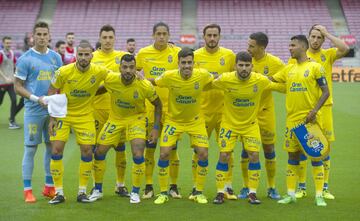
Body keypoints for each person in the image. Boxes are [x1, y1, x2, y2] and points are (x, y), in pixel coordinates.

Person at [212, 51, 284, 205]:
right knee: (224, 155)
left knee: (254, 155)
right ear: (235, 66)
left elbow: (280, 86)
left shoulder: (260, 80)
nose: (244, 68)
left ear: (252, 66)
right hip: (229, 125)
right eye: (241, 65)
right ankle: (220, 192)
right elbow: (208, 84)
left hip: (250, 125)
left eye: (247, 65)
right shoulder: (226, 79)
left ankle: (252, 192)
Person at [89, 54, 162, 204]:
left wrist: (155, 128)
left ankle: (135, 192)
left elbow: (158, 105)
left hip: (136, 119)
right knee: (99, 152)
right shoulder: (111, 80)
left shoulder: (145, 85)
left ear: (136, 69)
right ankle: (97, 189)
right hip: (115, 119)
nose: (128, 70)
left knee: (137, 153)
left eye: (131, 67)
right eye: (125, 67)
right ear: (119, 68)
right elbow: (99, 91)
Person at [47, 40, 109, 204]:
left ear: (91, 55)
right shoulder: (63, 72)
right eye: (80, 54)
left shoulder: (99, 71)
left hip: (85, 116)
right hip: (63, 115)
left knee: (88, 151)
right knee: (56, 150)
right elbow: (52, 90)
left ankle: (82, 192)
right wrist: (52, 118)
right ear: (76, 55)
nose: (83, 57)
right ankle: (59, 193)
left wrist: (137, 75)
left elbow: (115, 80)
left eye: (86, 54)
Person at [149, 47, 213, 204]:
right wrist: (138, 78)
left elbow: (216, 79)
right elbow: (154, 81)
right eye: (183, 63)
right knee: (164, 153)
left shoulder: (202, 75)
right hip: (174, 121)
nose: (186, 66)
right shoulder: (169, 76)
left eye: (189, 63)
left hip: (195, 121)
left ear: (194, 63)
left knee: (203, 153)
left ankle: (198, 191)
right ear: (178, 63)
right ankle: (163, 192)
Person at [271, 35, 330, 206]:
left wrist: (315, 110)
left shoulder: (315, 67)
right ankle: (290, 194)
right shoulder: (288, 69)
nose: (290, 48)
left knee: (316, 155)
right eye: (289, 45)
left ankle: (319, 195)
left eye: (293, 45)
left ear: (303, 47)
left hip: (310, 121)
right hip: (291, 122)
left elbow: (325, 92)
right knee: (292, 156)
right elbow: (270, 80)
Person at [294, 25, 349, 200]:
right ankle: (301, 187)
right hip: (305, 109)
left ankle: (325, 187)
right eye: (313, 36)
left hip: (324, 109)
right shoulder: (300, 56)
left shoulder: (328, 55)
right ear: (308, 38)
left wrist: (326, 32)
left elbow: (345, 48)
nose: (316, 40)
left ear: (323, 40)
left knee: (324, 149)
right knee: (303, 147)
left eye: (319, 37)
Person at [14, 22, 62, 203]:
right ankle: (28, 190)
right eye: (39, 34)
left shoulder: (56, 58)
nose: (42, 37)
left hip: (51, 111)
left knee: (51, 146)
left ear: (49, 36)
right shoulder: (26, 59)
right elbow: (17, 87)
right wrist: (36, 99)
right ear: (33, 36)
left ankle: (49, 187)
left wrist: (57, 105)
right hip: (33, 111)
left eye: (45, 34)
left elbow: (59, 83)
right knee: (31, 148)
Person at [136, 22, 181, 199]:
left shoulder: (176, 53)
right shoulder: (143, 53)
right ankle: (148, 186)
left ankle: (174, 186)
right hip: (150, 109)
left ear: (169, 35)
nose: (161, 37)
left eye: (164, 34)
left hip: (172, 109)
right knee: (150, 148)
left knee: (172, 149)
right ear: (153, 35)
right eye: (158, 34)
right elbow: (136, 75)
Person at [193, 23, 236, 200]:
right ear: (203, 37)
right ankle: (196, 187)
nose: (212, 38)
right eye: (209, 35)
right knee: (199, 151)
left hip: (224, 112)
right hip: (201, 112)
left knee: (227, 150)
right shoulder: (195, 56)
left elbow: (235, 80)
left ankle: (228, 186)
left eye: (215, 35)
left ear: (219, 36)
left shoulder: (229, 55)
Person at [240, 32, 285, 199]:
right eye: (248, 45)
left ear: (262, 47)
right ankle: (246, 187)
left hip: (266, 112)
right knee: (246, 149)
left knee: (269, 149)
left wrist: (267, 83)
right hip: (247, 113)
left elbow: (286, 86)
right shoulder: (244, 61)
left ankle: (271, 187)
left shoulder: (275, 63)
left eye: (252, 46)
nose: (248, 49)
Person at [91, 24, 130, 197]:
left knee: (120, 147)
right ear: (100, 39)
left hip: (119, 111)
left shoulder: (122, 57)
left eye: (110, 37)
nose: (107, 40)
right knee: (98, 149)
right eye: (104, 37)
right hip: (97, 109)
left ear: (115, 39)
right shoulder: (92, 57)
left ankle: (120, 185)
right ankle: (96, 186)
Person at [0, 36, 21, 129]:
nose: (8, 44)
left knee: (14, 100)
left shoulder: (12, 53)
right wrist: (5, 77)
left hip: (11, 83)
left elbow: (16, 66)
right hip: (2, 83)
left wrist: (16, 75)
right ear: (3, 43)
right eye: (7, 43)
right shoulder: (1, 54)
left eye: (9, 43)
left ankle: (12, 121)